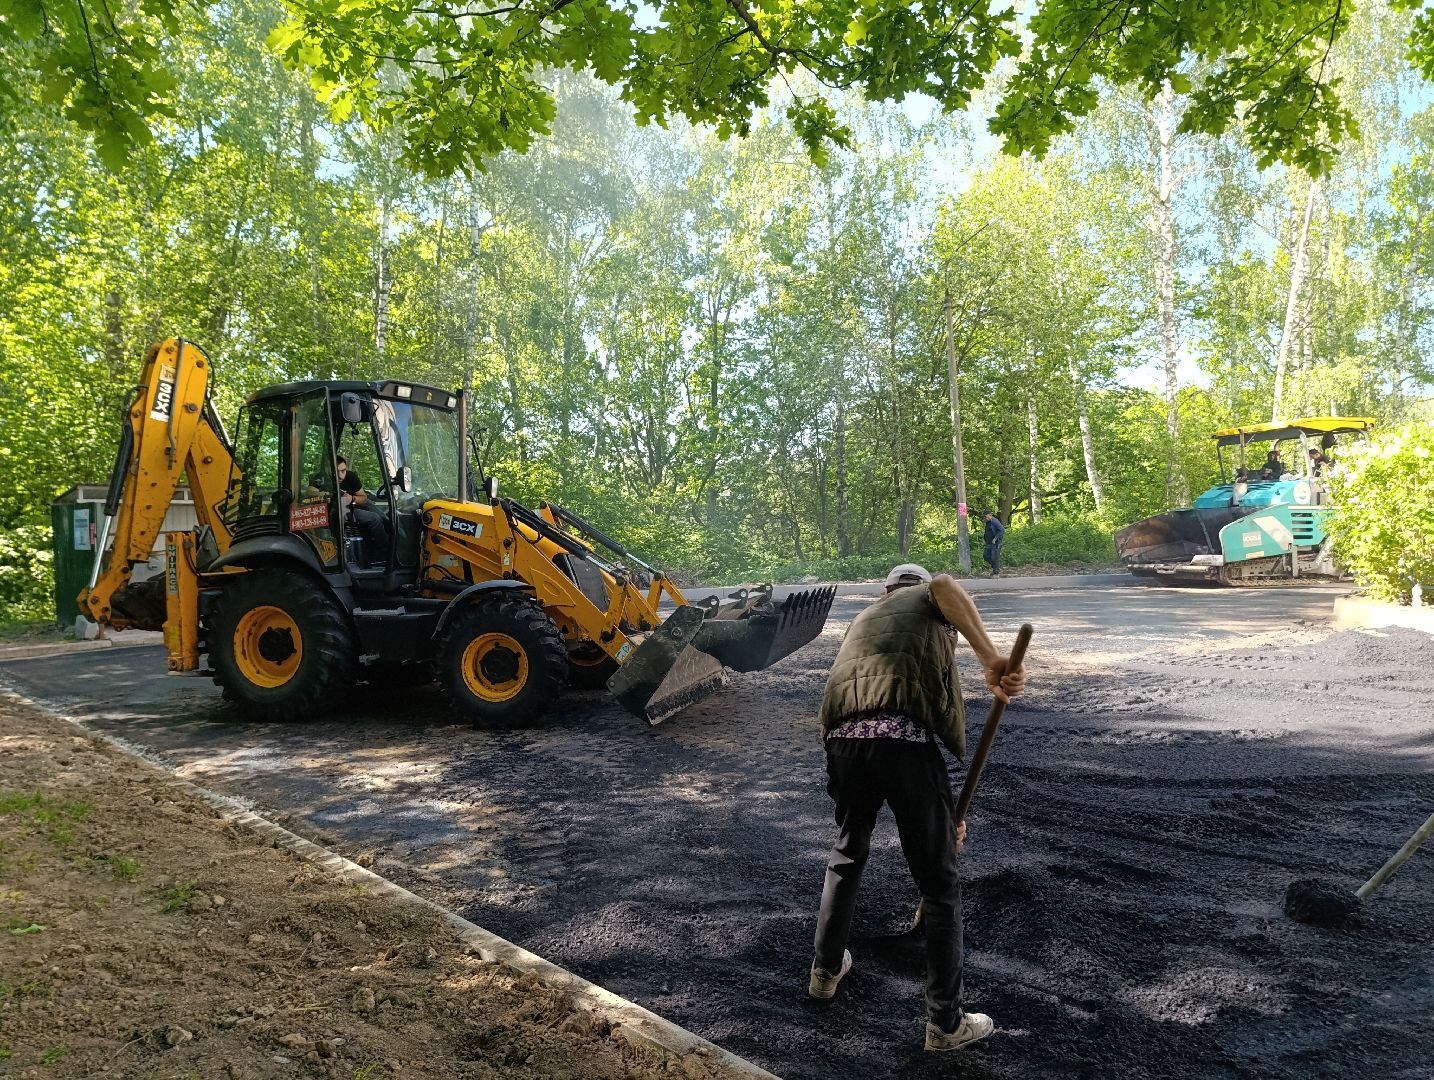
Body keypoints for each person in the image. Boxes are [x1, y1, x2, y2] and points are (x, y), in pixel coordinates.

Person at [809, 563, 1025, 1053]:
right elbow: (946, 586)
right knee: (940, 884)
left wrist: (945, 817)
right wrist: (992, 659)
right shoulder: (930, 597)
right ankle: (945, 1024)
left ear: (886, 589)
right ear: (915, 589)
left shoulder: (867, 617)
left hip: (844, 744)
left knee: (848, 851)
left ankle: (824, 971)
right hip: (904, 741)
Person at [337, 456, 390, 554]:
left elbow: (363, 498)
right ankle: (385, 552)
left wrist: (352, 499)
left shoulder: (350, 476)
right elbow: (310, 492)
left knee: (385, 518)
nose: (341, 476)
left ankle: (397, 544)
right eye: (337, 472)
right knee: (374, 518)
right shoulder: (323, 479)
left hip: (354, 501)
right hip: (342, 509)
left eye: (343, 471)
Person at [981, 511, 1004, 577]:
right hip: (988, 542)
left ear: (990, 515)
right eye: (984, 517)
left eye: (985, 516)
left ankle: (996, 573)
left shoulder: (995, 522)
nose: (984, 518)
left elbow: (1002, 530)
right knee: (986, 556)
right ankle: (996, 567)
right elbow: (987, 532)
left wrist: (995, 538)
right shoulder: (988, 522)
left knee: (994, 557)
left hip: (995, 543)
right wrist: (985, 540)